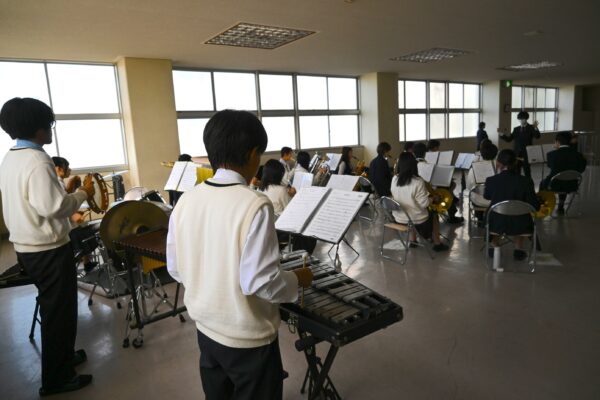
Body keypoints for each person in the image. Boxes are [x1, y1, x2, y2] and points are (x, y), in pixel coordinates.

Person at [166, 110, 313, 400]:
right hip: (248, 340)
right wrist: (298, 279)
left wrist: (212, 284)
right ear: (252, 154)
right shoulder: (254, 203)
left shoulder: (186, 199)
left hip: (206, 331)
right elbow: (262, 282)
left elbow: (175, 267)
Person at [0, 97, 95, 396]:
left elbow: (38, 200)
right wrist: (82, 193)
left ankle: (64, 358)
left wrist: (65, 190)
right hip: (48, 250)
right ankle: (57, 379)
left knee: (57, 310)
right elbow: (55, 208)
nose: (51, 129)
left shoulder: (12, 157)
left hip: (27, 247)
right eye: (49, 123)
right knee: (59, 314)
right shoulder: (38, 161)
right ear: (38, 128)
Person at [484, 149, 540, 260]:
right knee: (521, 214)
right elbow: (535, 206)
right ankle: (518, 248)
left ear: (498, 163)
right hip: (521, 224)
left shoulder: (491, 180)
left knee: (491, 216)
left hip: (497, 223)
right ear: (515, 163)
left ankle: (495, 246)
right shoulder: (526, 181)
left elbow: (487, 196)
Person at [390, 153, 449, 252]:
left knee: (411, 209)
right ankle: (437, 243)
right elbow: (424, 204)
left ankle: (413, 241)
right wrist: (432, 198)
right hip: (417, 219)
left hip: (399, 217)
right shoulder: (418, 181)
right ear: (414, 165)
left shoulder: (395, 179)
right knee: (434, 215)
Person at [52, 156, 97, 272]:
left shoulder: (57, 182)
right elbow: (63, 206)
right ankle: (86, 262)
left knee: (83, 226)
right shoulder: (58, 183)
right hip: (69, 230)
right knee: (89, 230)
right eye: (67, 167)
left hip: (66, 227)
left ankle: (87, 262)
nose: (70, 170)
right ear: (59, 169)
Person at [539, 131, 587, 215]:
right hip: (572, 185)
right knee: (565, 177)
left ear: (557, 142)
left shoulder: (551, 155)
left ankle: (541, 207)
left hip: (554, 184)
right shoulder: (578, 155)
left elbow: (550, 166)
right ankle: (561, 206)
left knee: (543, 183)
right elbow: (581, 169)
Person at [498, 111, 540, 178]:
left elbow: (537, 136)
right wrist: (502, 135)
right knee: (516, 171)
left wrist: (535, 127)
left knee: (527, 171)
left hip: (526, 153)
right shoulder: (516, 129)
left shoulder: (531, 127)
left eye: (523, 119)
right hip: (517, 153)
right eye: (520, 119)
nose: (521, 121)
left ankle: (528, 183)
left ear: (526, 119)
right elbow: (509, 139)